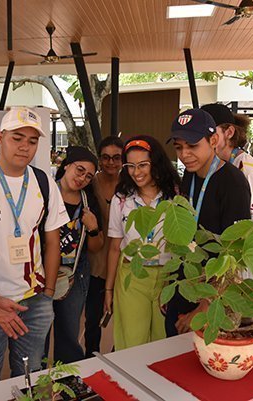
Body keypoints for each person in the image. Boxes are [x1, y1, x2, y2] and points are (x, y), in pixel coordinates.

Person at [0, 106, 69, 383]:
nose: (25, 147)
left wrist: (47, 293)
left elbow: (52, 240)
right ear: (0, 138)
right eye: (17, 138)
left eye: (32, 140)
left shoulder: (44, 182)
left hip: (32, 300)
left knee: (29, 375)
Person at [166, 108, 251, 337]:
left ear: (214, 140)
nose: (184, 154)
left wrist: (205, 306)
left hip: (212, 296)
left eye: (192, 146)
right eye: (179, 146)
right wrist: (172, 285)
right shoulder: (190, 176)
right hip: (186, 282)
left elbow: (233, 254)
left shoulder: (234, 183)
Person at [104, 135, 181, 350]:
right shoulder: (121, 199)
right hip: (132, 274)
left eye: (143, 165)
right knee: (132, 341)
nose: (136, 172)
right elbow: (114, 247)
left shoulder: (175, 195)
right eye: (130, 166)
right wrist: (108, 290)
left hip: (166, 276)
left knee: (162, 341)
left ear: (156, 163)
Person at [50, 146, 104, 363]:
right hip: (42, 270)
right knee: (38, 332)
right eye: (79, 170)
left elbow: (96, 246)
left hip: (75, 272)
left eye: (89, 176)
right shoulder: (45, 192)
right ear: (67, 165)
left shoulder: (88, 202)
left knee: (68, 332)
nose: (82, 178)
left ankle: (68, 382)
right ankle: (37, 379)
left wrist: (92, 227)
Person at [201, 103, 253, 229]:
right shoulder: (213, 165)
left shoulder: (248, 170)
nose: (202, 140)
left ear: (229, 132)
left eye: (209, 132)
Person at [84, 135, 123, 357]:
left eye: (116, 158)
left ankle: (119, 354)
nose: (111, 163)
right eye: (106, 157)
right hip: (96, 259)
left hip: (122, 260)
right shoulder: (91, 183)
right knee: (93, 315)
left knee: (125, 314)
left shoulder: (130, 184)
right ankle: (92, 354)